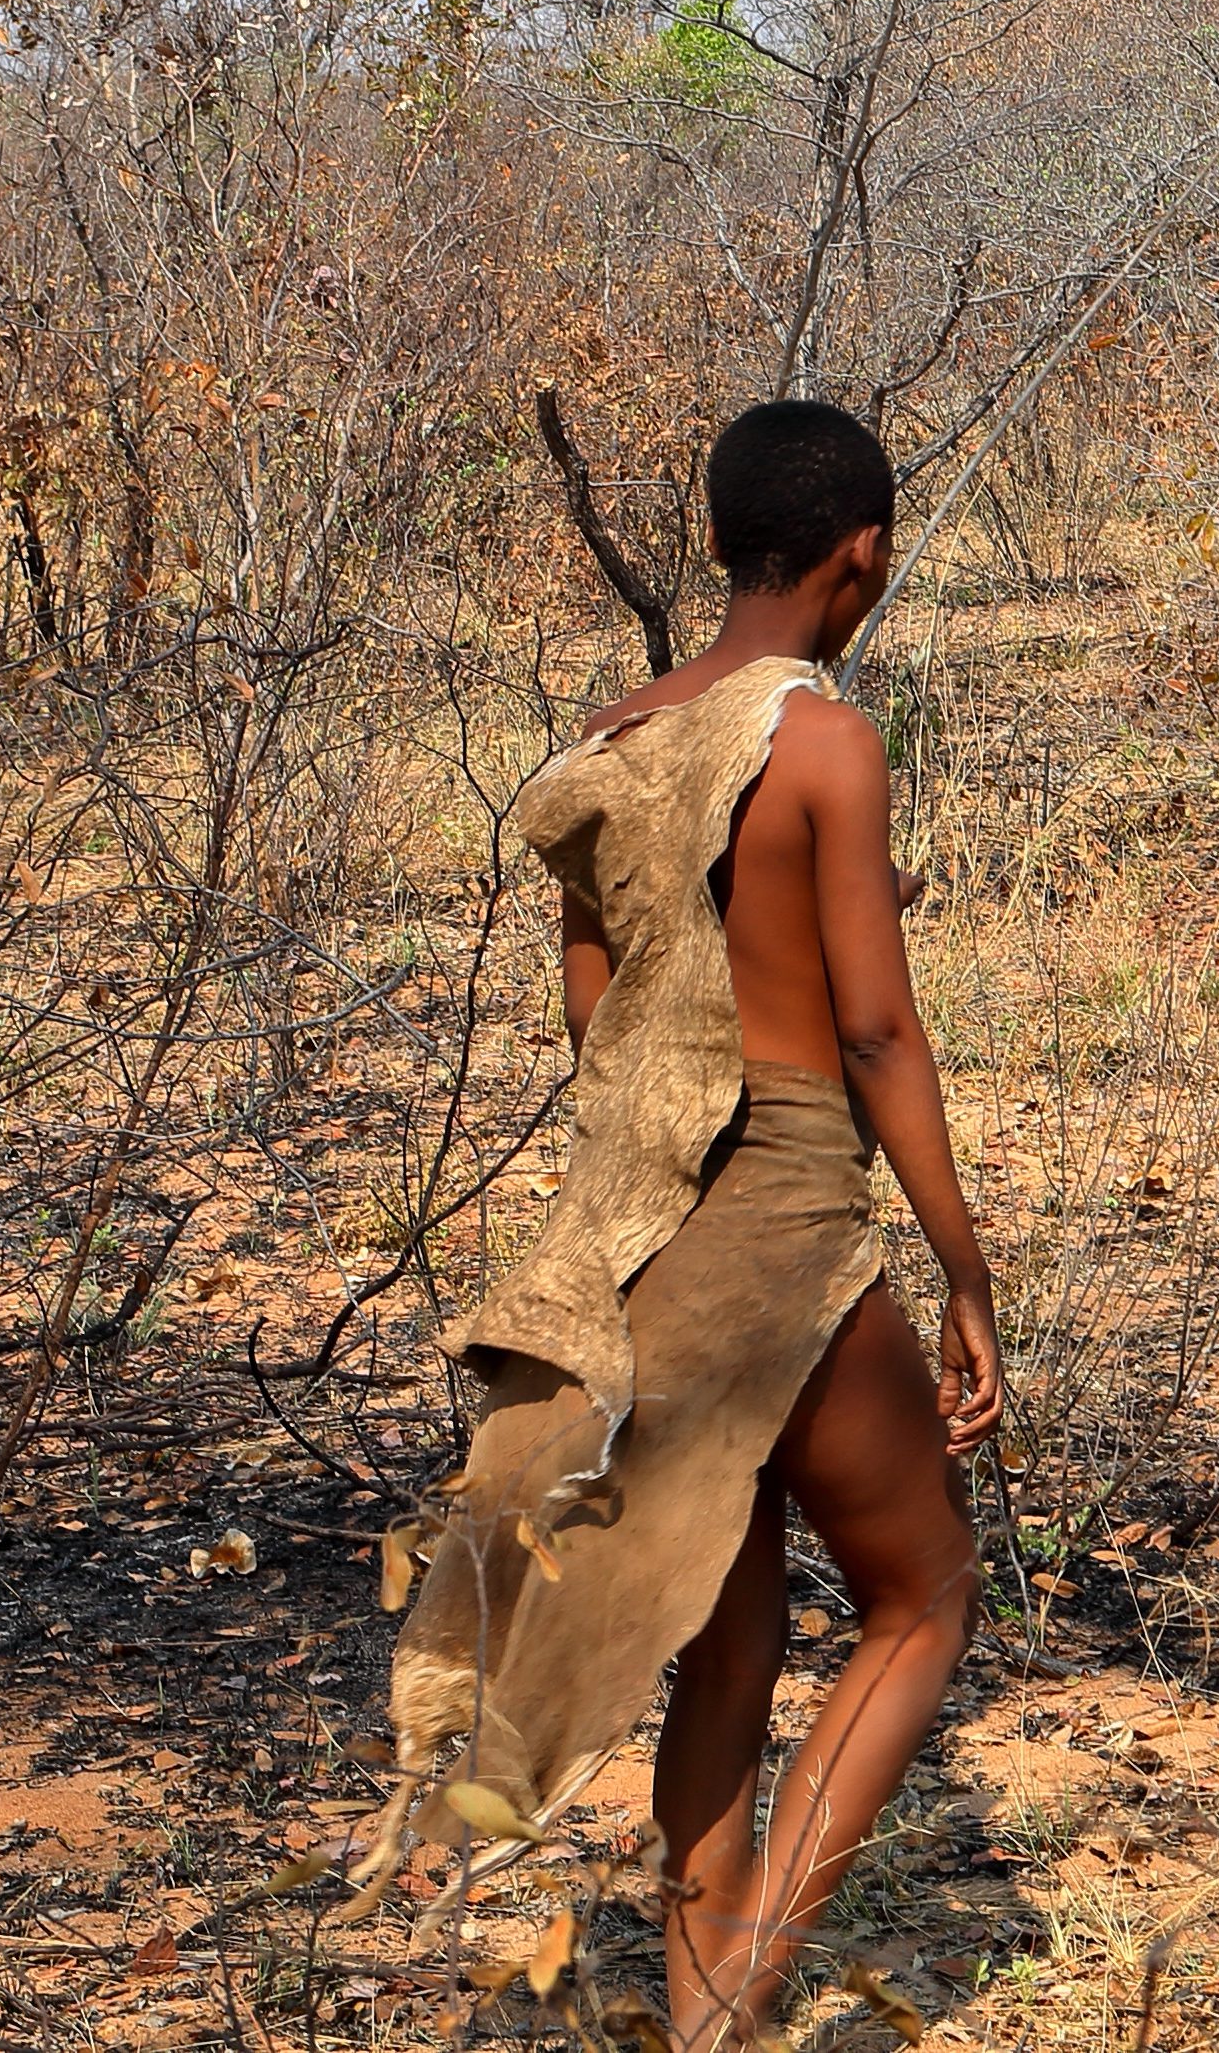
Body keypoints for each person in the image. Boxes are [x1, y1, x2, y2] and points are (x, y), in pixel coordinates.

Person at [385, 400, 1000, 2051]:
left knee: (731, 1633)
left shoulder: (616, 742)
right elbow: (875, 1032)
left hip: (630, 1226)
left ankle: (686, 1997)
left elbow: (601, 1017)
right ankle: (731, 2009)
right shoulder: (823, 742)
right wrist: (963, 1266)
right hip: (783, 1200)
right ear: (860, 549)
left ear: (726, 541)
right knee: (922, 1595)